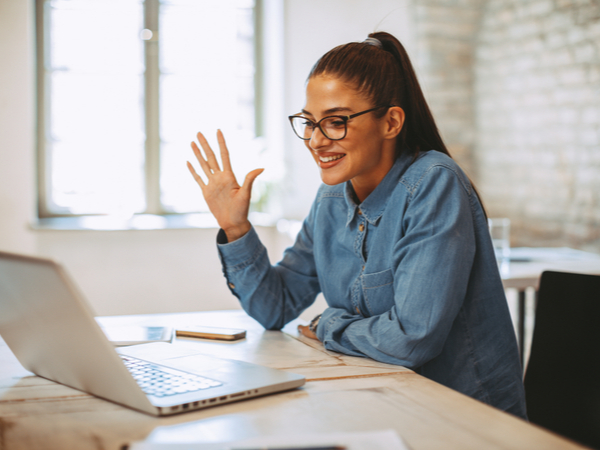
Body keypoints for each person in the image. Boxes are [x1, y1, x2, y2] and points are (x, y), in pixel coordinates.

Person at [187, 31, 527, 419]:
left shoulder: (433, 182)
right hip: (380, 402)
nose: (315, 140)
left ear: (391, 122)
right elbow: (275, 307)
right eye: (309, 123)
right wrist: (235, 228)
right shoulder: (331, 198)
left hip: (463, 419)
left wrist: (331, 323)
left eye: (335, 122)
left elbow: (412, 339)